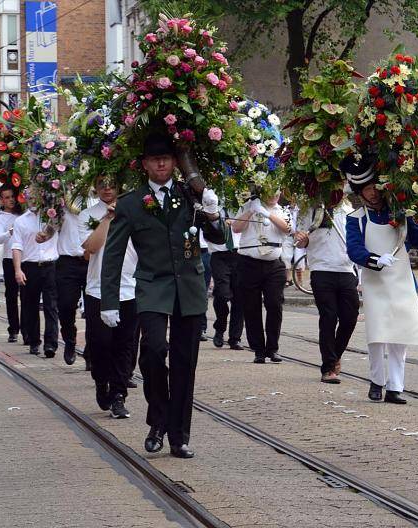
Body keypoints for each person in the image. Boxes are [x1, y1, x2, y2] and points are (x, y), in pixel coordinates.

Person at [100, 131, 224, 459]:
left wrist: (212, 211)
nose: (161, 164)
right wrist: (109, 301)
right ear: (144, 165)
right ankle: (158, 418)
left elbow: (220, 236)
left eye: (166, 158)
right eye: (155, 159)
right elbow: (113, 254)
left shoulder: (191, 194)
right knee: (153, 351)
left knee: (185, 362)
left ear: (174, 162)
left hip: (190, 287)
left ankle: (178, 435)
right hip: (153, 285)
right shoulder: (130, 203)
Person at [344, 154, 418, 404]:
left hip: (401, 279)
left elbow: (417, 236)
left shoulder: (399, 213)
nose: (373, 194)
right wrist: (374, 260)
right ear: (360, 191)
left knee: (401, 334)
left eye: (375, 188)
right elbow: (354, 250)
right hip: (375, 282)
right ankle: (377, 381)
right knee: (377, 335)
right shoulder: (355, 219)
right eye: (367, 190)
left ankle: (396, 386)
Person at [79, 175, 138, 419]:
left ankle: (118, 395)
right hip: (98, 289)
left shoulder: (135, 211)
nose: (107, 189)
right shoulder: (88, 214)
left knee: (125, 346)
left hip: (129, 288)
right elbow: (90, 247)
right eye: (102, 184)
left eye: (112, 184)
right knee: (101, 343)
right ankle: (101, 381)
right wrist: (108, 217)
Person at [295, 200, 359, 384]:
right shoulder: (312, 209)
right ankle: (329, 367)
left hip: (346, 270)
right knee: (329, 317)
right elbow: (301, 242)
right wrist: (302, 239)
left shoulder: (349, 211)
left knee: (350, 317)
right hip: (321, 269)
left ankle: (335, 355)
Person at [232, 190, 292, 364]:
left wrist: (266, 213)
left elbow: (286, 229)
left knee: (274, 304)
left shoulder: (283, 210)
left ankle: (272, 348)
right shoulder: (248, 206)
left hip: (274, 263)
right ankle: (258, 349)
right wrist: (251, 209)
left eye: (277, 191)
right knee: (251, 307)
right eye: (270, 191)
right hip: (248, 262)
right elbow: (236, 227)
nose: (274, 195)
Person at [11, 197, 60, 357]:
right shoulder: (20, 221)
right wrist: (18, 269)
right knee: (30, 305)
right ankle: (33, 341)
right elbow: (17, 246)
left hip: (50, 265)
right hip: (30, 266)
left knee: (50, 305)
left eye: (36, 196)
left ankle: (50, 344)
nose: (33, 200)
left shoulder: (52, 215)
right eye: (29, 197)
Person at [55, 196, 89, 365]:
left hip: (92, 261)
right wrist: (43, 235)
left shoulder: (96, 204)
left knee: (94, 309)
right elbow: (50, 227)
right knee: (66, 305)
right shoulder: (61, 206)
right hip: (67, 262)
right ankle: (70, 340)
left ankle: (92, 350)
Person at [207, 206, 244, 350]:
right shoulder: (212, 205)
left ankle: (235, 338)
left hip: (240, 254)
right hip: (219, 255)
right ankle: (220, 327)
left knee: (240, 298)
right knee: (222, 294)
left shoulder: (244, 206)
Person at [0, 184, 23, 342]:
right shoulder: (0, 218)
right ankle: (13, 329)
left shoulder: (22, 214)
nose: (11, 200)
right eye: (7, 198)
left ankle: (27, 329)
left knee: (26, 296)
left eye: (12, 196)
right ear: (1, 201)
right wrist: (10, 231)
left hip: (25, 258)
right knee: (11, 295)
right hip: (9, 258)